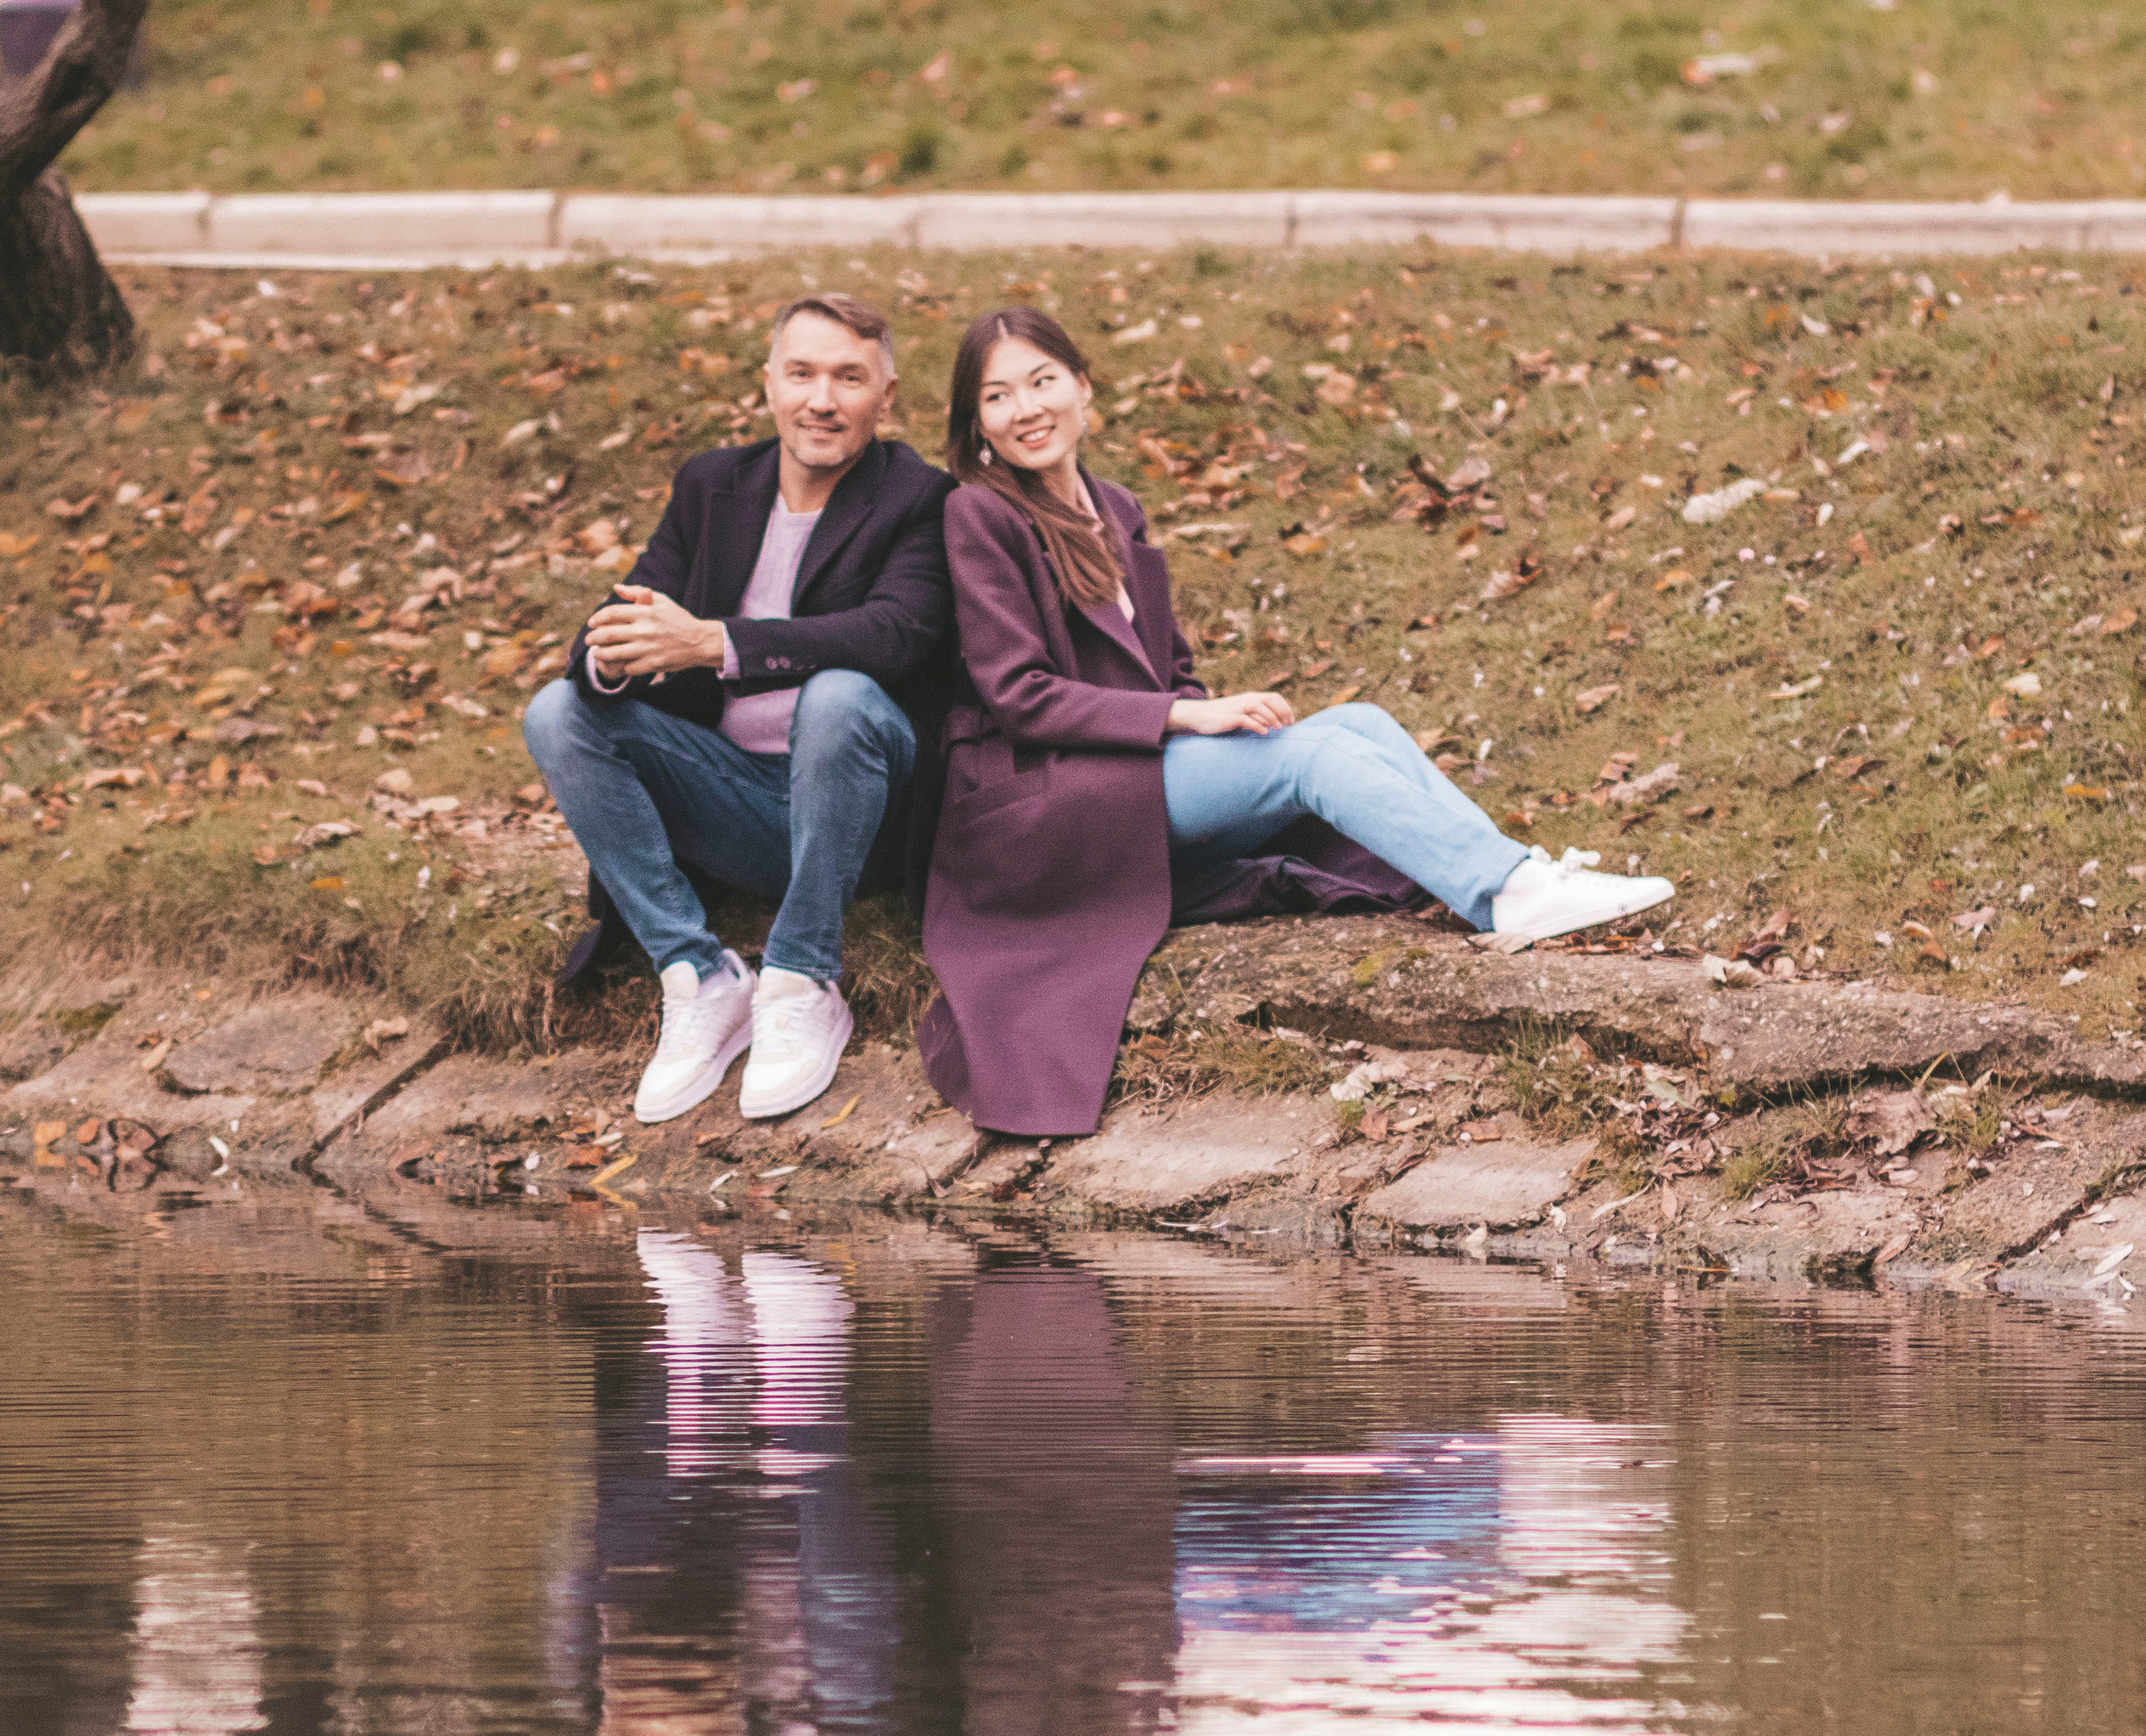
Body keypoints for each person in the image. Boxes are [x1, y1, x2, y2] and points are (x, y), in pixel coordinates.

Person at [916, 306, 1676, 1139]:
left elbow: (1162, 666)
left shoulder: (1114, 506)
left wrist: (1196, 710)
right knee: (1308, 758)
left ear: (1083, 386)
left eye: (1041, 380)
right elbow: (1019, 692)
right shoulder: (978, 513)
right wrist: (1191, 715)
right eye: (997, 395)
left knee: (1361, 722)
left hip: (1125, 769)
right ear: (976, 422)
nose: (1026, 407)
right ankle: (1507, 892)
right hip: (1041, 804)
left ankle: (1516, 878)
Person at [524, 295, 952, 1125]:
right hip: (736, 802)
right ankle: (699, 975)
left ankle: (801, 978)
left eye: (847, 378)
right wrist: (614, 657)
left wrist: (715, 644)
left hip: (864, 814)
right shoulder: (713, 484)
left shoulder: (920, 498)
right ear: (769, 384)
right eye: (801, 373)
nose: (821, 399)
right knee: (557, 711)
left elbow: (892, 636)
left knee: (837, 696)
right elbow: (614, 621)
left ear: (886, 396)